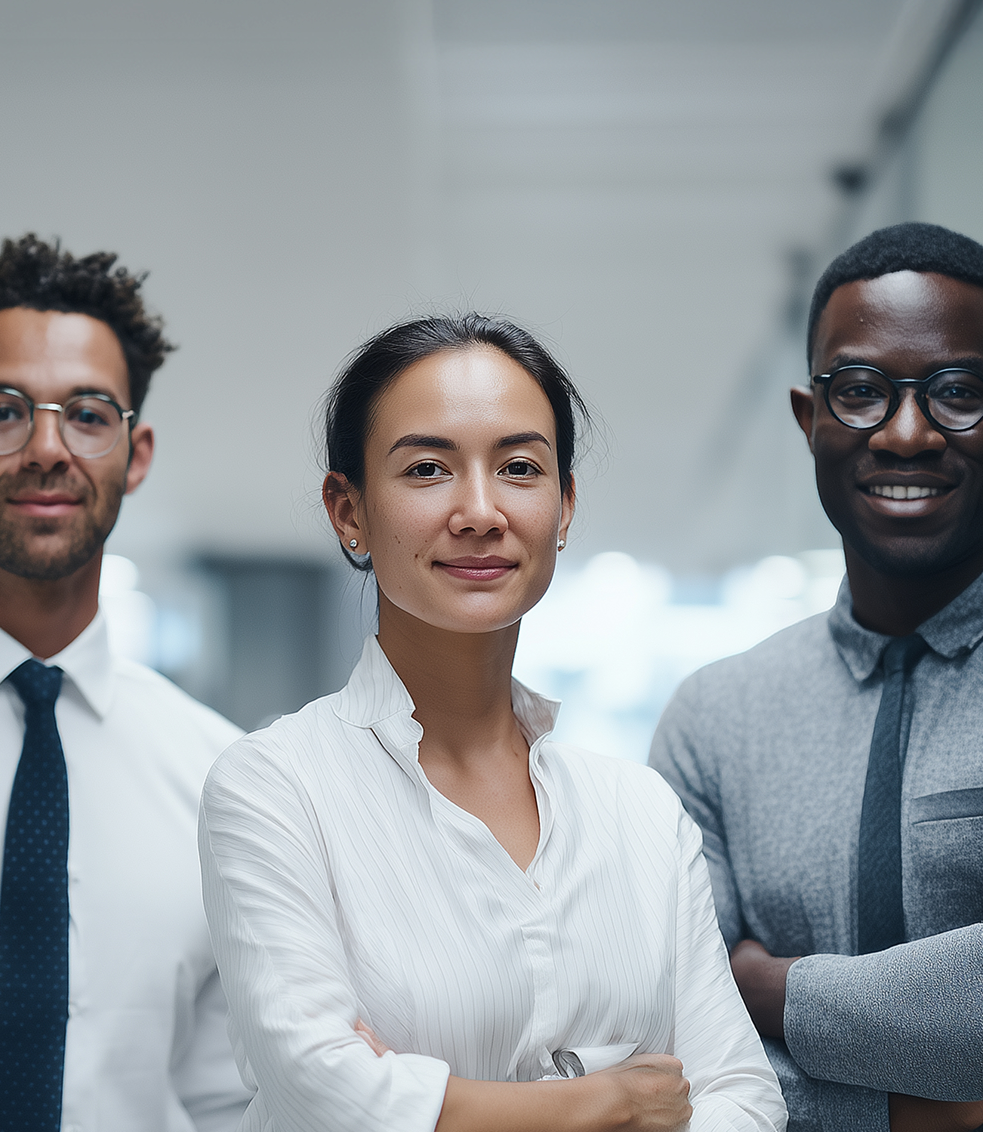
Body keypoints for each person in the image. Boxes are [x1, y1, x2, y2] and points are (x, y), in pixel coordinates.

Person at [197, 314, 786, 1132]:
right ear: (349, 512)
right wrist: (607, 1099)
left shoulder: (642, 815)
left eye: (518, 467)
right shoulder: (276, 789)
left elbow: (745, 1101)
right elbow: (324, 1090)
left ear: (565, 505)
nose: (480, 510)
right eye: (429, 468)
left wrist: (432, 1103)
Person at [649, 222, 983, 1131]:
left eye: (957, 392)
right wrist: (893, 1109)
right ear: (811, 419)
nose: (909, 432)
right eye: (861, 392)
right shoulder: (716, 718)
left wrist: (760, 984)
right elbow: (668, 1034)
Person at [0, 235, 251, 1131]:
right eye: (2, 412)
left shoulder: (221, 778)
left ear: (137, 451)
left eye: (87, 414)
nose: (48, 448)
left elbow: (226, 1096)